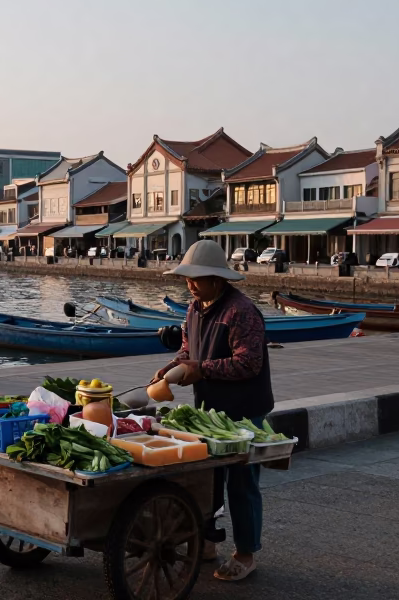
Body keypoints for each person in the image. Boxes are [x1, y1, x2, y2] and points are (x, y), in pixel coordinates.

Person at [149, 239, 272, 581]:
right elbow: (189, 350)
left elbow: (249, 363)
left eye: (196, 278)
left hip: (245, 411)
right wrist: (170, 369)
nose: (189, 284)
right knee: (206, 480)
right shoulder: (193, 309)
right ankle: (206, 541)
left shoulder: (241, 311)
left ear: (217, 279)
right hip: (209, 410)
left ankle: (245, 554)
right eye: (187, 278)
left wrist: (202, 369)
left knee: (242, 484)